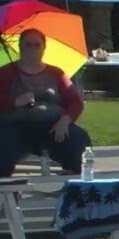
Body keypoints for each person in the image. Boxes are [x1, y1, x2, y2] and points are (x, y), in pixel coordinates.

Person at [0, 28, 92, 178]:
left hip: (52, 128)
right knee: (3, 148)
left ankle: (72, 179)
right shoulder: (6, 72)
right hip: (16, 128)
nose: (32, 49)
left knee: (78, 140)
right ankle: (6, 185)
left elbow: (76, 102)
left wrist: (65, 121)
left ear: (44, 48)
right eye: (28, 44)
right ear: (20, 46)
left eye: (37, 45)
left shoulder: (56, 73)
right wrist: (16, 101)